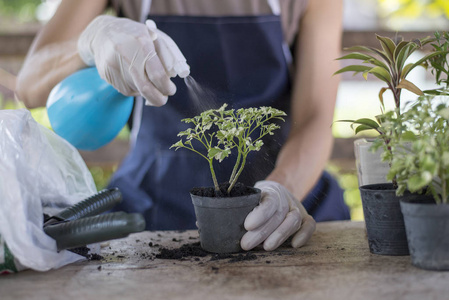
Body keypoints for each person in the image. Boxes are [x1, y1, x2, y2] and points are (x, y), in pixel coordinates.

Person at [16, 0, 349, 251]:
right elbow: (29, 85)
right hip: (151, 199)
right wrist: (91, 41)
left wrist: (283, 189)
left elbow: (315, 117)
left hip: (283, 196)